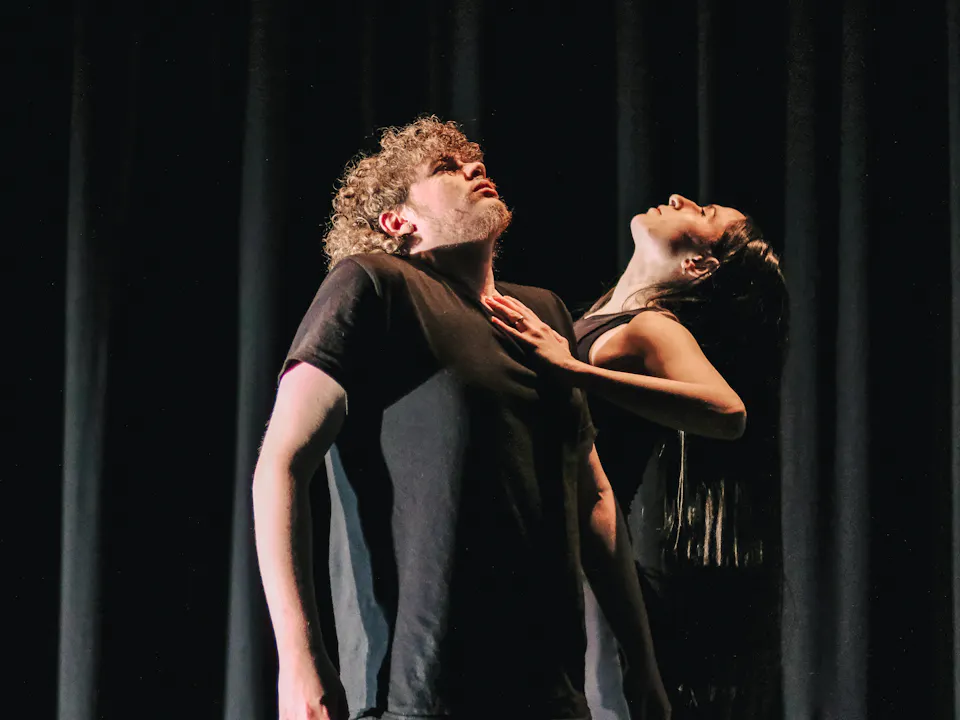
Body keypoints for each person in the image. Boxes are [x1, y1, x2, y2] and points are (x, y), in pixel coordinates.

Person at [251, 116, 673, 720]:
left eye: (473, 160)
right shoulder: (375, 285)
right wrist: (299, 659)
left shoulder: (542, 313)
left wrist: (643, 662)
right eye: (445, 168)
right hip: (418, 692)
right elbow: (282, 462)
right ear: (398, 221)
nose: (475, 167)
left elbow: (593, 495)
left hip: (550, 693)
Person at [482, 194, 789, 719]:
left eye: (704, 214)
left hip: (589, 565)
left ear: (699, 265)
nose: (679, 199)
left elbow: (728, 413)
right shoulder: (598, 318)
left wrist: (573, 369)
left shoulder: (652, 327)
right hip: (553, 553)